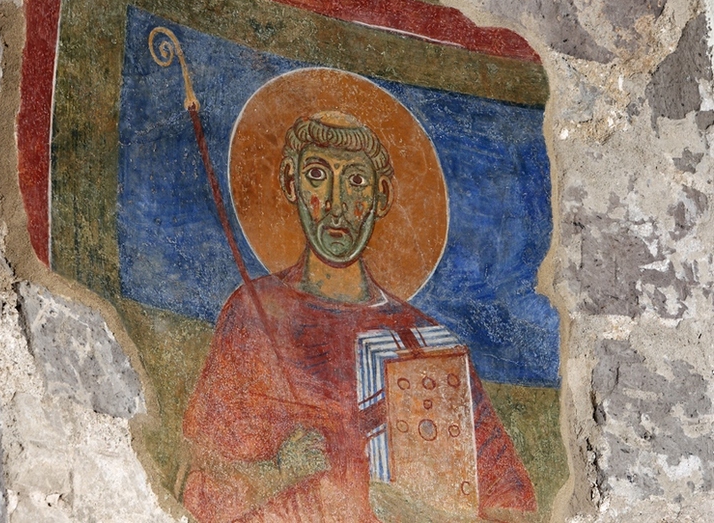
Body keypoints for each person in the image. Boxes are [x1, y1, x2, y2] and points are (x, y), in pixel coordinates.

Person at [182, 112, 535, 522]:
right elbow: (197, 479)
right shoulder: (252, 312)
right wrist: (277, 473)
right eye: (317, 175)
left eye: (356, 182)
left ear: (381, 195)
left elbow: (508, 501)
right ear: (290, 184)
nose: (336, 204)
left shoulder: (425, 341)